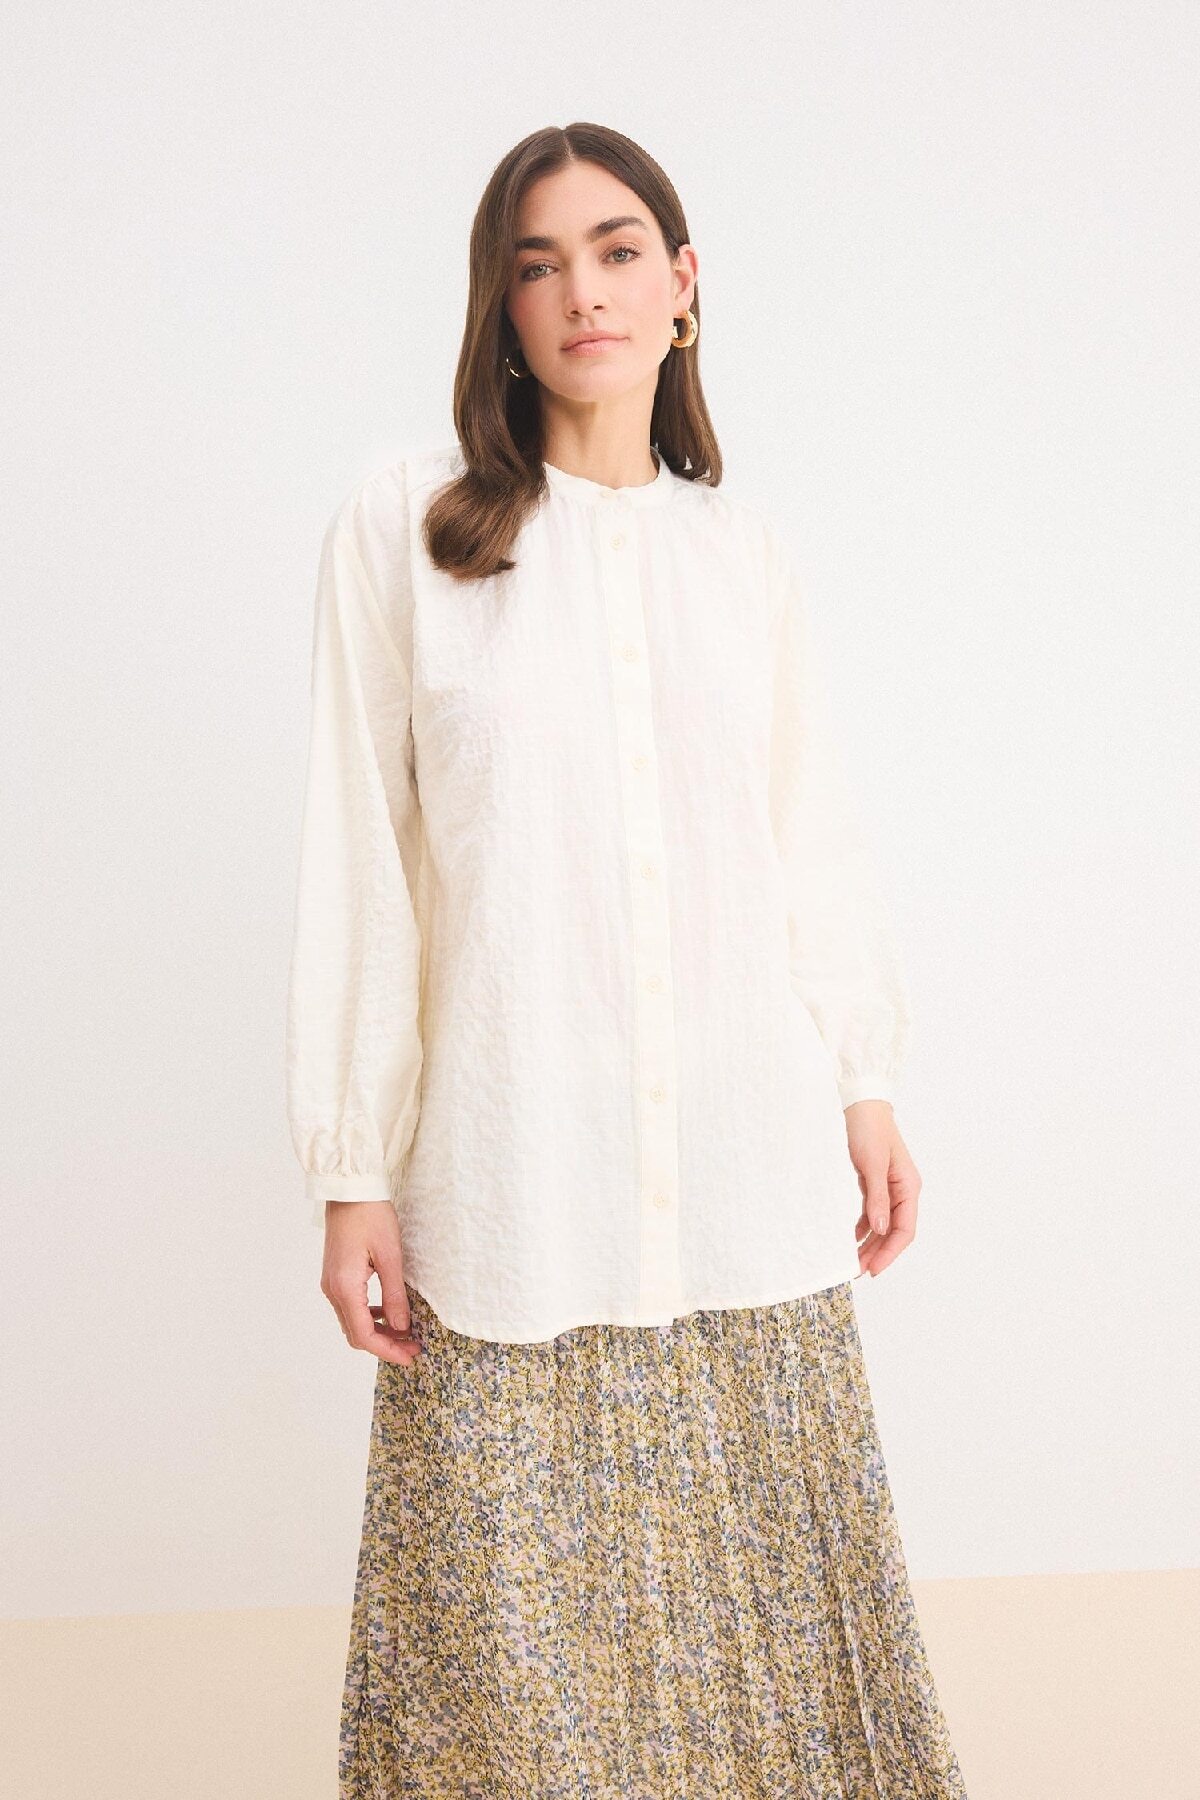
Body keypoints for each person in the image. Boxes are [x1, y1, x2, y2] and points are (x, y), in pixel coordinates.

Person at [285, 121, 970, 1800]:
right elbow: (360, 863)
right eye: (537, 264)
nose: (580, 292)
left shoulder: (741, 559)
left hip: (746, 1187)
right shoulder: (408, 530)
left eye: (614, 251)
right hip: (514, 1192)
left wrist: (865, 1080)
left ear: (682, 286)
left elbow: (805, 841)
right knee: (502, 1706)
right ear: (501, 309)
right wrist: (353, 1167)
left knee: (782, 1699)